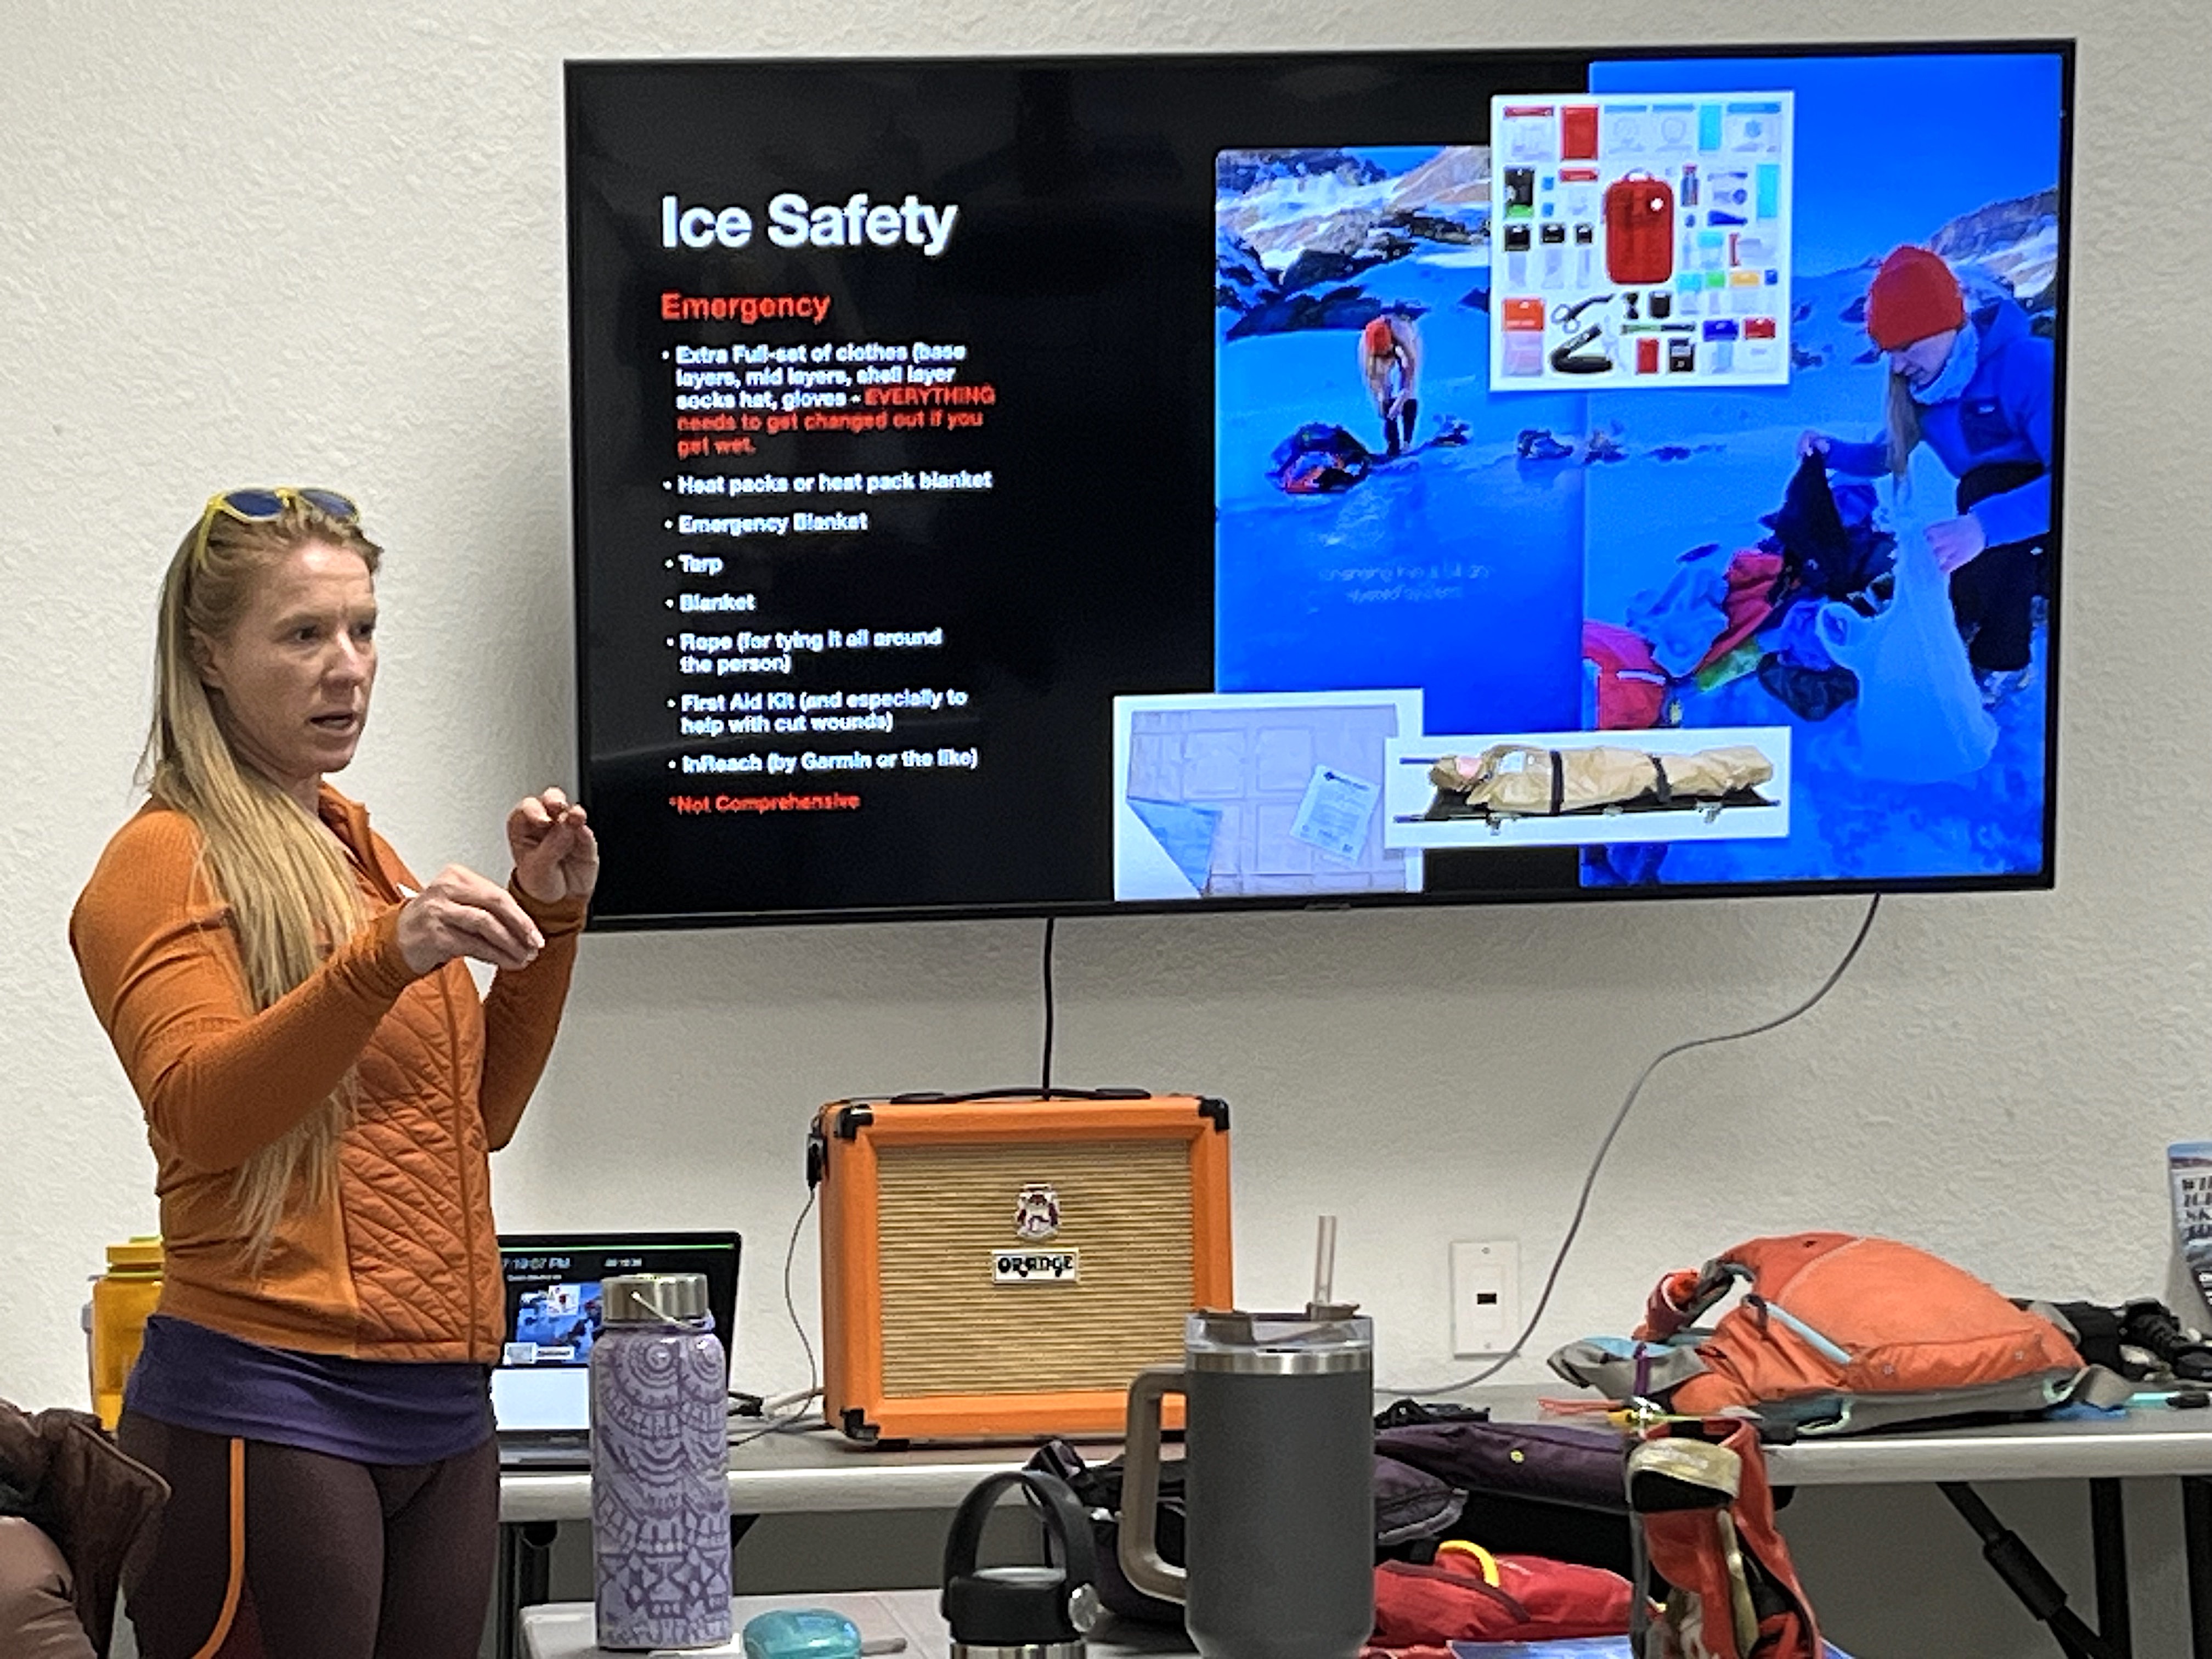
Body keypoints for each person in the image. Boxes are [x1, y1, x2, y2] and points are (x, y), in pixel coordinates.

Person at [69, 488, 599, 1659]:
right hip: (267, 1399)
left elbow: (477, 1121)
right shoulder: (162, 860)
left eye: (363, 630)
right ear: (208, 655)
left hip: (444, 1406)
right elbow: (203, 1112)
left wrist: (552, 922)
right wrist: (382, 958)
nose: (347, 667)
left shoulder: (357, 850)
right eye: (304, 634)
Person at [1798, 244, 2055, 704]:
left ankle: (2005, 662)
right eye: (1889, 352)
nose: (1897, 365)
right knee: (1972, 508)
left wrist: (1983, 527)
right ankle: (1978, 609)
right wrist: (1829, 451)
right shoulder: (1927, 394)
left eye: (1907, 346)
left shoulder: (2029, 365)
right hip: (2002, 532)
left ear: (1947, 327)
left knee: (1988, 489)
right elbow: (1884, 456)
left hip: (2064, 535)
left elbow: (2081, 484)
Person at [1358, 305, 1422, 456]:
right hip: (1382, 348)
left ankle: (1407, 443)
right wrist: (1383, 403)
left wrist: (1401, 400)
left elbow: (1409, 377)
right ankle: (1393, 446)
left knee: (1408, 395)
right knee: (1385, 402)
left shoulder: (1404, 333)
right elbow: (1374, 381)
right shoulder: (1365, 349)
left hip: (1404, 343)